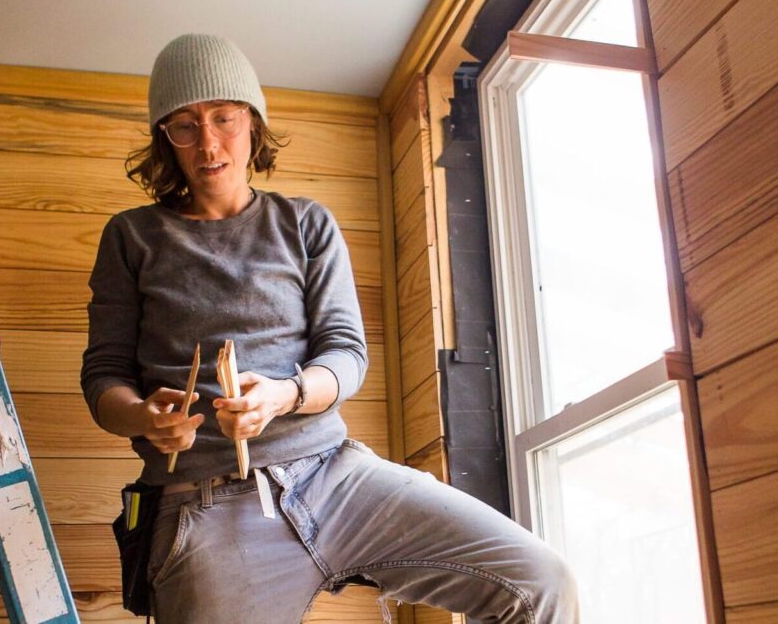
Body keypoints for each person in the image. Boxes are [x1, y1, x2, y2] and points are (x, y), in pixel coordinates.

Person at [81, 33, 578, 624]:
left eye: (224, 117)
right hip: (205, 497)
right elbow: (104, 377)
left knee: (542, 583)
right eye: (184, 125)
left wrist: (285, 395)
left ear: (253, 123)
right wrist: (143, 417)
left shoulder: (305, 223)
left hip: (335, 474)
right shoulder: (131, 236)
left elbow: (344, 354)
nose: (208, 142)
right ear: (165, 138)